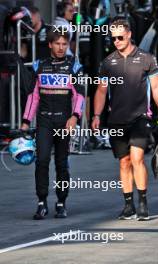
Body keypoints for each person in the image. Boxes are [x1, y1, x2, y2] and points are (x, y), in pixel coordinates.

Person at [92, 19, 158, 221]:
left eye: (119, 37)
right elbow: (101, 91)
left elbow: (157, 87)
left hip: (140, 117)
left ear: (129, 34)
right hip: (117, 120)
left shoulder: (147, 59)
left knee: (136, 159)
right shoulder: (108, 62)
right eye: (113, 38)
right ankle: (129, 206)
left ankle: (143, 203)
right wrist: (97, 115)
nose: (116, 41)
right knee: (124, 162)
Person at [21, 28, 85, 220]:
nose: (61, 47)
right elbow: (33, 97)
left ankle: (61, 203)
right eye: (57, 43)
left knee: (61, 163)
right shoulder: (39, 65)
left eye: (64, 44)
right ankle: (41, 203)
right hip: (44, 121)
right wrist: (25, 121)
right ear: (50, 44)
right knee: (41, 161)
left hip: (64, 121)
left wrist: (75, 117)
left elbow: (80, 95)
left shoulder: (74, 65)